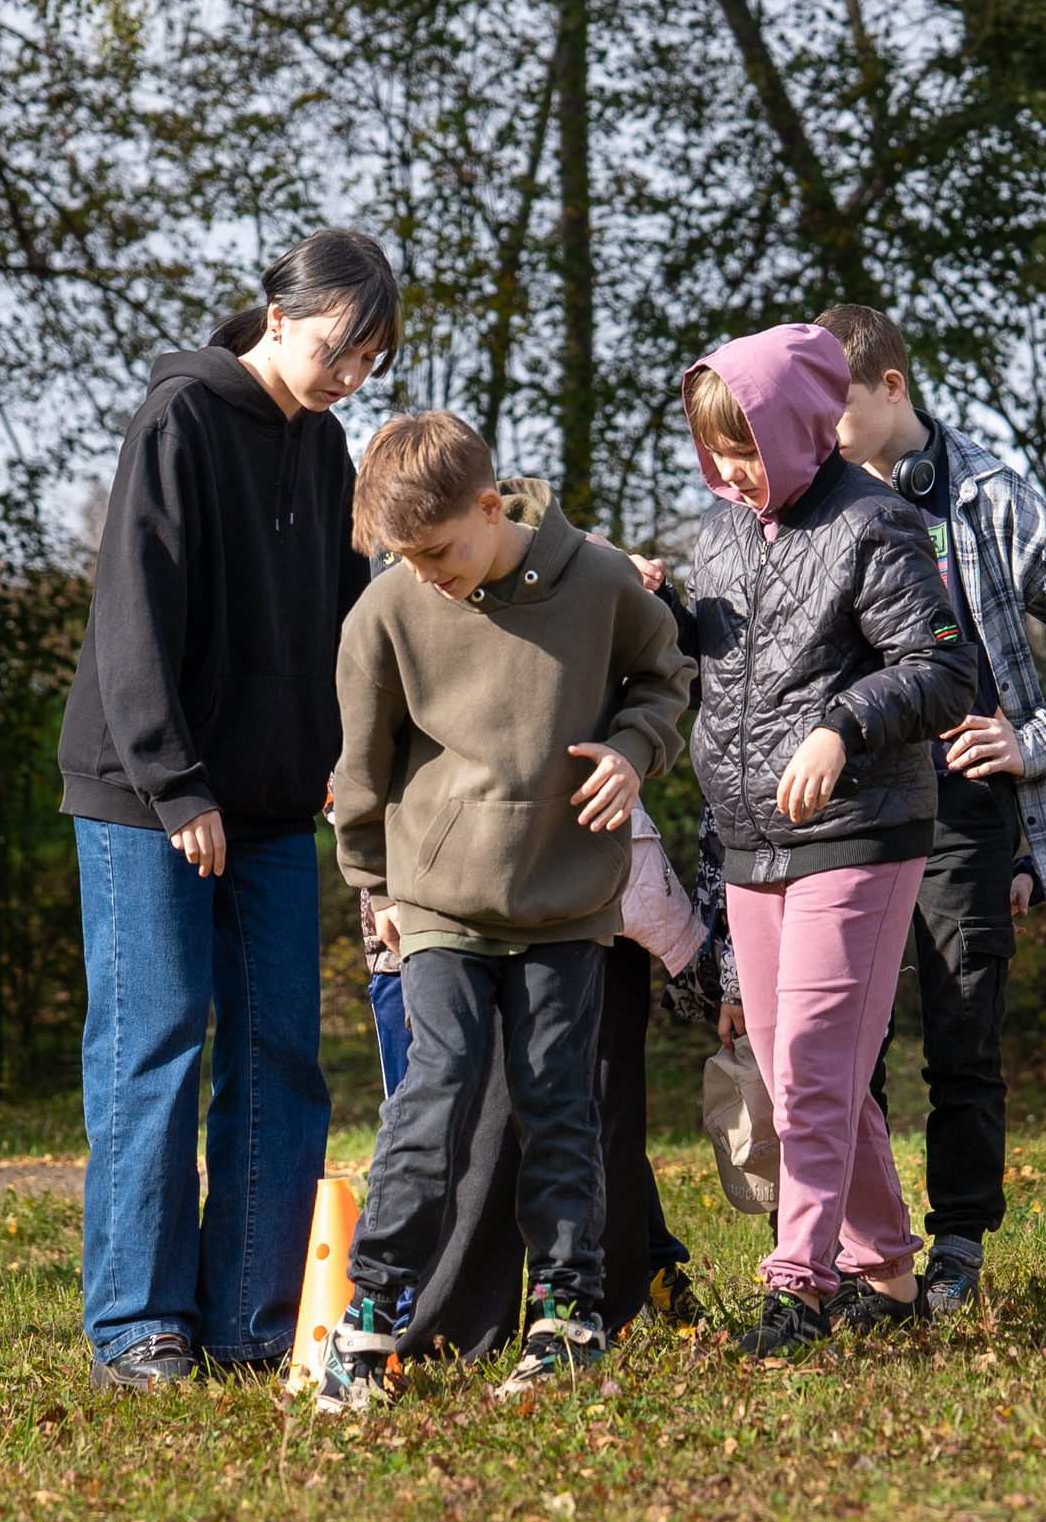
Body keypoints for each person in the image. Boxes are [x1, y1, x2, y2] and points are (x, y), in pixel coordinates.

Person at [57, 229, 398, 1391]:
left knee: (280, 1055)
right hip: (147, 794)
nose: (348, 375)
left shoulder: (330, 446)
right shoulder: (181, 420)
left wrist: (339, 757)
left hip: (268, 801)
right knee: (152, 1046)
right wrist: (175, 782)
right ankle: (139, 1324)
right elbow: (132, 613)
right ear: (280, 313)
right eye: (339, 348)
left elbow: (354, 623)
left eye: (369, 360)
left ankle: (253, 1315)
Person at [318, 412, 692, 1409]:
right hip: (436, 902)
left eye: (439, 551)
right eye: (406, 558)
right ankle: (368, 1322)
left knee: (557, 1097)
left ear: (490, 507)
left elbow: (665, 681)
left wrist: (633, 750)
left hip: (566, 902)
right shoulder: (387, 613)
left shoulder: (603, 583)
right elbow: (360, 769)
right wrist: (376, 888)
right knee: (433, 1090)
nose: (428, 574)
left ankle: (566, 1319)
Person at [823, 303, 1046, 1315]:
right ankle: (863, 1251)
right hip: (858, 803)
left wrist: (1038, 737)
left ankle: (957, 1241)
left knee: (962, 1029)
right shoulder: (812, 507)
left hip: (964, 805)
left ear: (891, 388)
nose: (816, 432)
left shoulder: (994, 496)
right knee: (850, 1039)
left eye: (834, 408)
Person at [665, 324, 976, 1358]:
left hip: (863, 831)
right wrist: (653, 603)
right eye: (718, 453)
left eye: (747, 447)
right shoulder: (717, 535)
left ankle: (799, 1281)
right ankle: (885, 1262)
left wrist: (840, 729)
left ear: (800, 428)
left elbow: (940, 674)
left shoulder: (876, 520)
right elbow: (716, 667)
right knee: (802, 1062)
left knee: (808, 1061)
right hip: (753, 842)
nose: (734, 472)